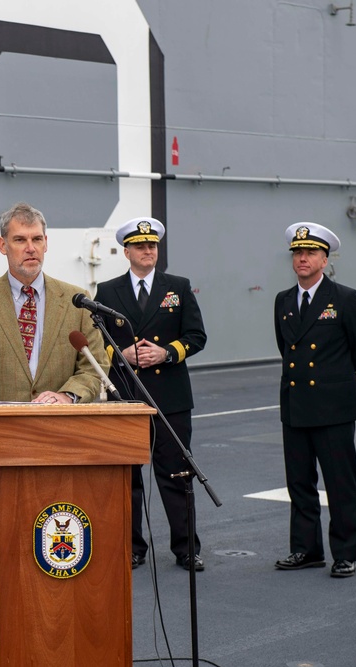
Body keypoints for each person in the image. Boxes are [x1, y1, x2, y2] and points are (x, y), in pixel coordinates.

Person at [0, 201, 108, 626]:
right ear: (2, 245)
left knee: (61, 571)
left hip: (65, 459)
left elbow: (94, 367)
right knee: (0, 577)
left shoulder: (78, 301)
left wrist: (69, 396)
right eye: (19, 240)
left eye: (36, 240)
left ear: (47, 243)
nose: (29, 248)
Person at [94, 217, 207, 572]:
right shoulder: (107, 291)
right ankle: (132, 547)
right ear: (126, 251)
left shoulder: (178, 287)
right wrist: (119, 354)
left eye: (153, 245)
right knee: (127, 478)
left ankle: (186, 548)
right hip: (127, 396)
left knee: (177, 475)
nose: (148, 250)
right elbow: (95, 342)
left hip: (170, 398)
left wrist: (166, 352)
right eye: (140, 245)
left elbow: (196, 336)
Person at [273, 222, 356, 578]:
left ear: (325, 258)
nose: (302, 258)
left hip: (333, 407)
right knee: (299, 483)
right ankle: (306, 548)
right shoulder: (284, 300)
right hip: (296, 404)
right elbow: (286, 348)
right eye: (297, 253)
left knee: (340, 483)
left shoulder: (345, 298)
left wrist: (341, 381)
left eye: (310, 252)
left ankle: (345, 553)